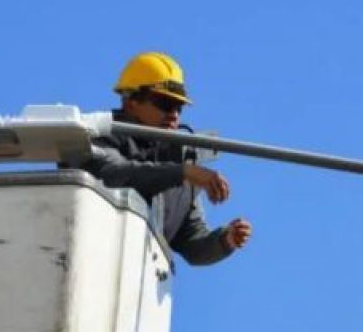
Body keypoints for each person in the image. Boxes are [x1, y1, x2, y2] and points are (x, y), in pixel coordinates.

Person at [76, 51, 252, 266]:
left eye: (179, 107)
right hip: (93, 261)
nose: (174, 115)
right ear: (131, 102)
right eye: (164, 104)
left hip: (138, 281)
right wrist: (183, 173)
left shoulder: (178, 162)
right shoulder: (97, 134)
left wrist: (225, 240)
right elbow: (113, 174)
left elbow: (191, 242)